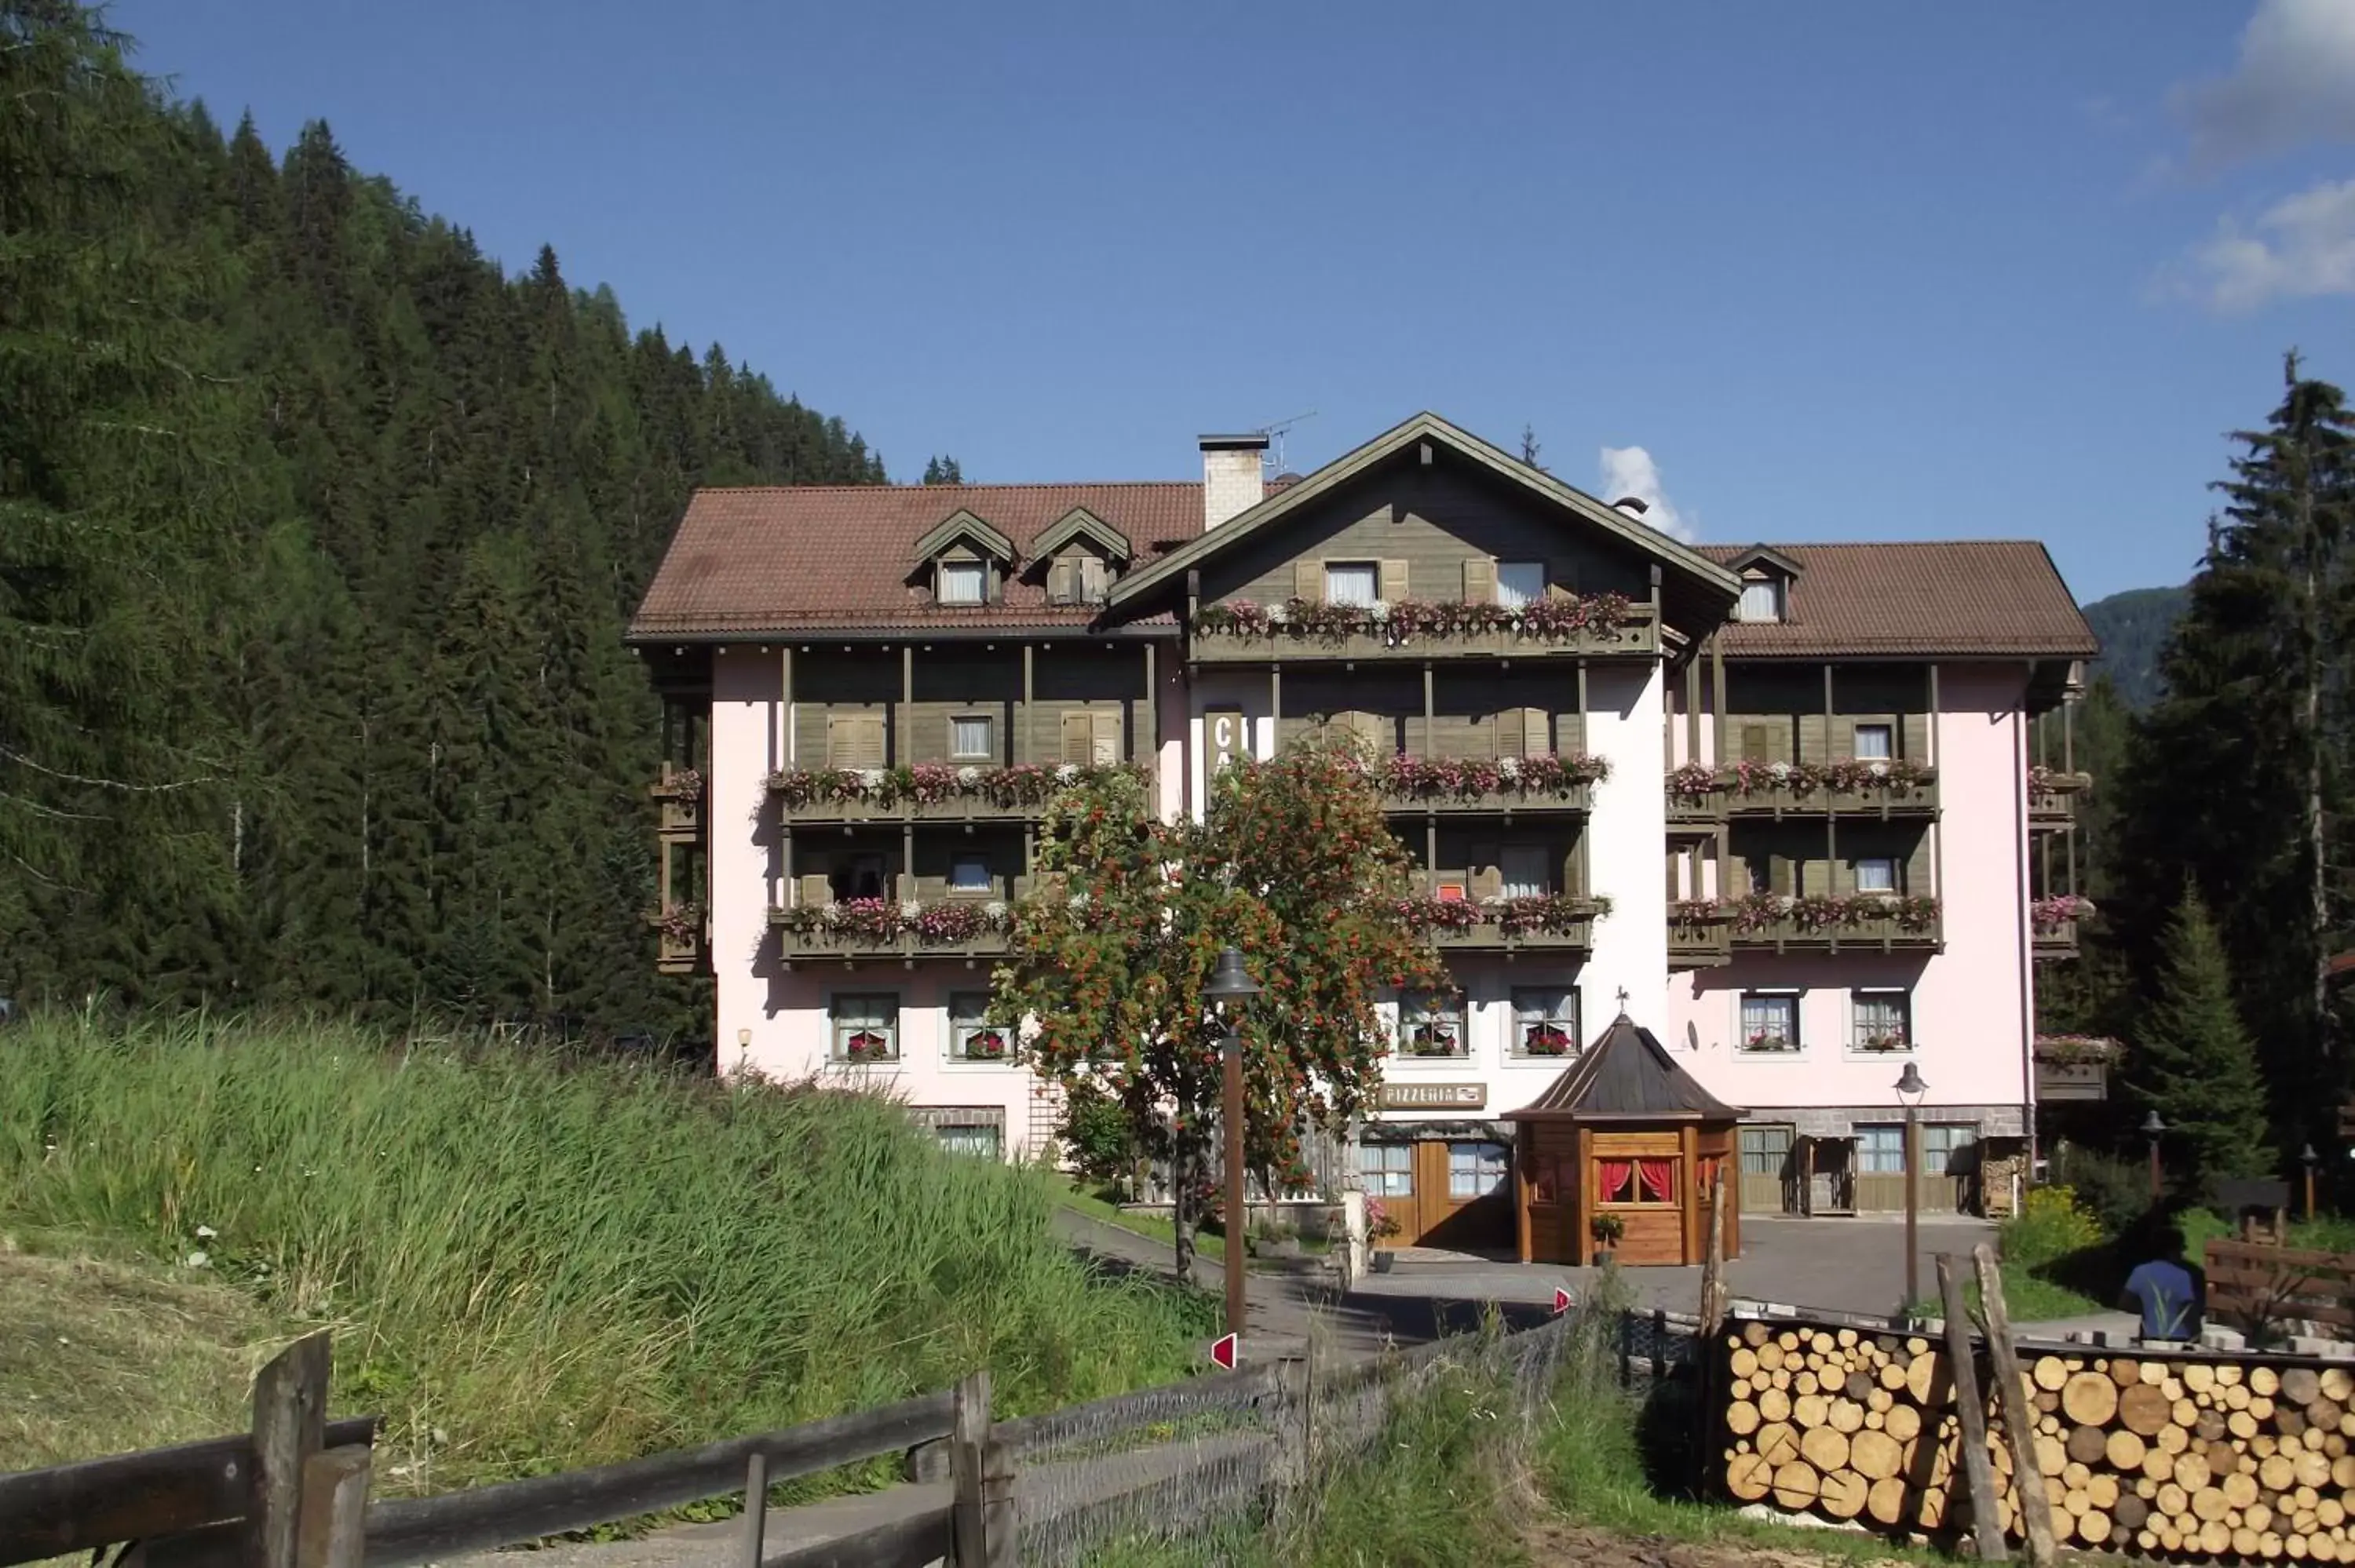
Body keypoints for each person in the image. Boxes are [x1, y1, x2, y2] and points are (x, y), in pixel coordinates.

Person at [2119, 1213, 2203, 1344]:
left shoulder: (2140, 1272)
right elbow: (2187, 1310)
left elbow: (2125, 1303)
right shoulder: (2183, 1275)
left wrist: (2148, 1309)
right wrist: (2197, 1333)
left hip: (2149, 1338)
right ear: (2173, 1250)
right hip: (2179, 1340)